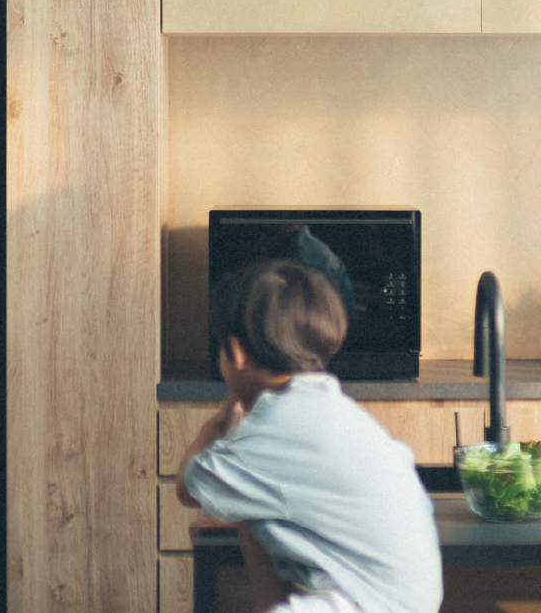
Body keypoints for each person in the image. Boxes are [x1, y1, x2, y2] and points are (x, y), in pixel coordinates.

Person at [177, 261, 442, 613]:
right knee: (251, 509)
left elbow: (187, 486)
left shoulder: (273, 430)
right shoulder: (336, 411)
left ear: (237, 353)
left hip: (361, 604)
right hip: (406, 598)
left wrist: (214, 427)